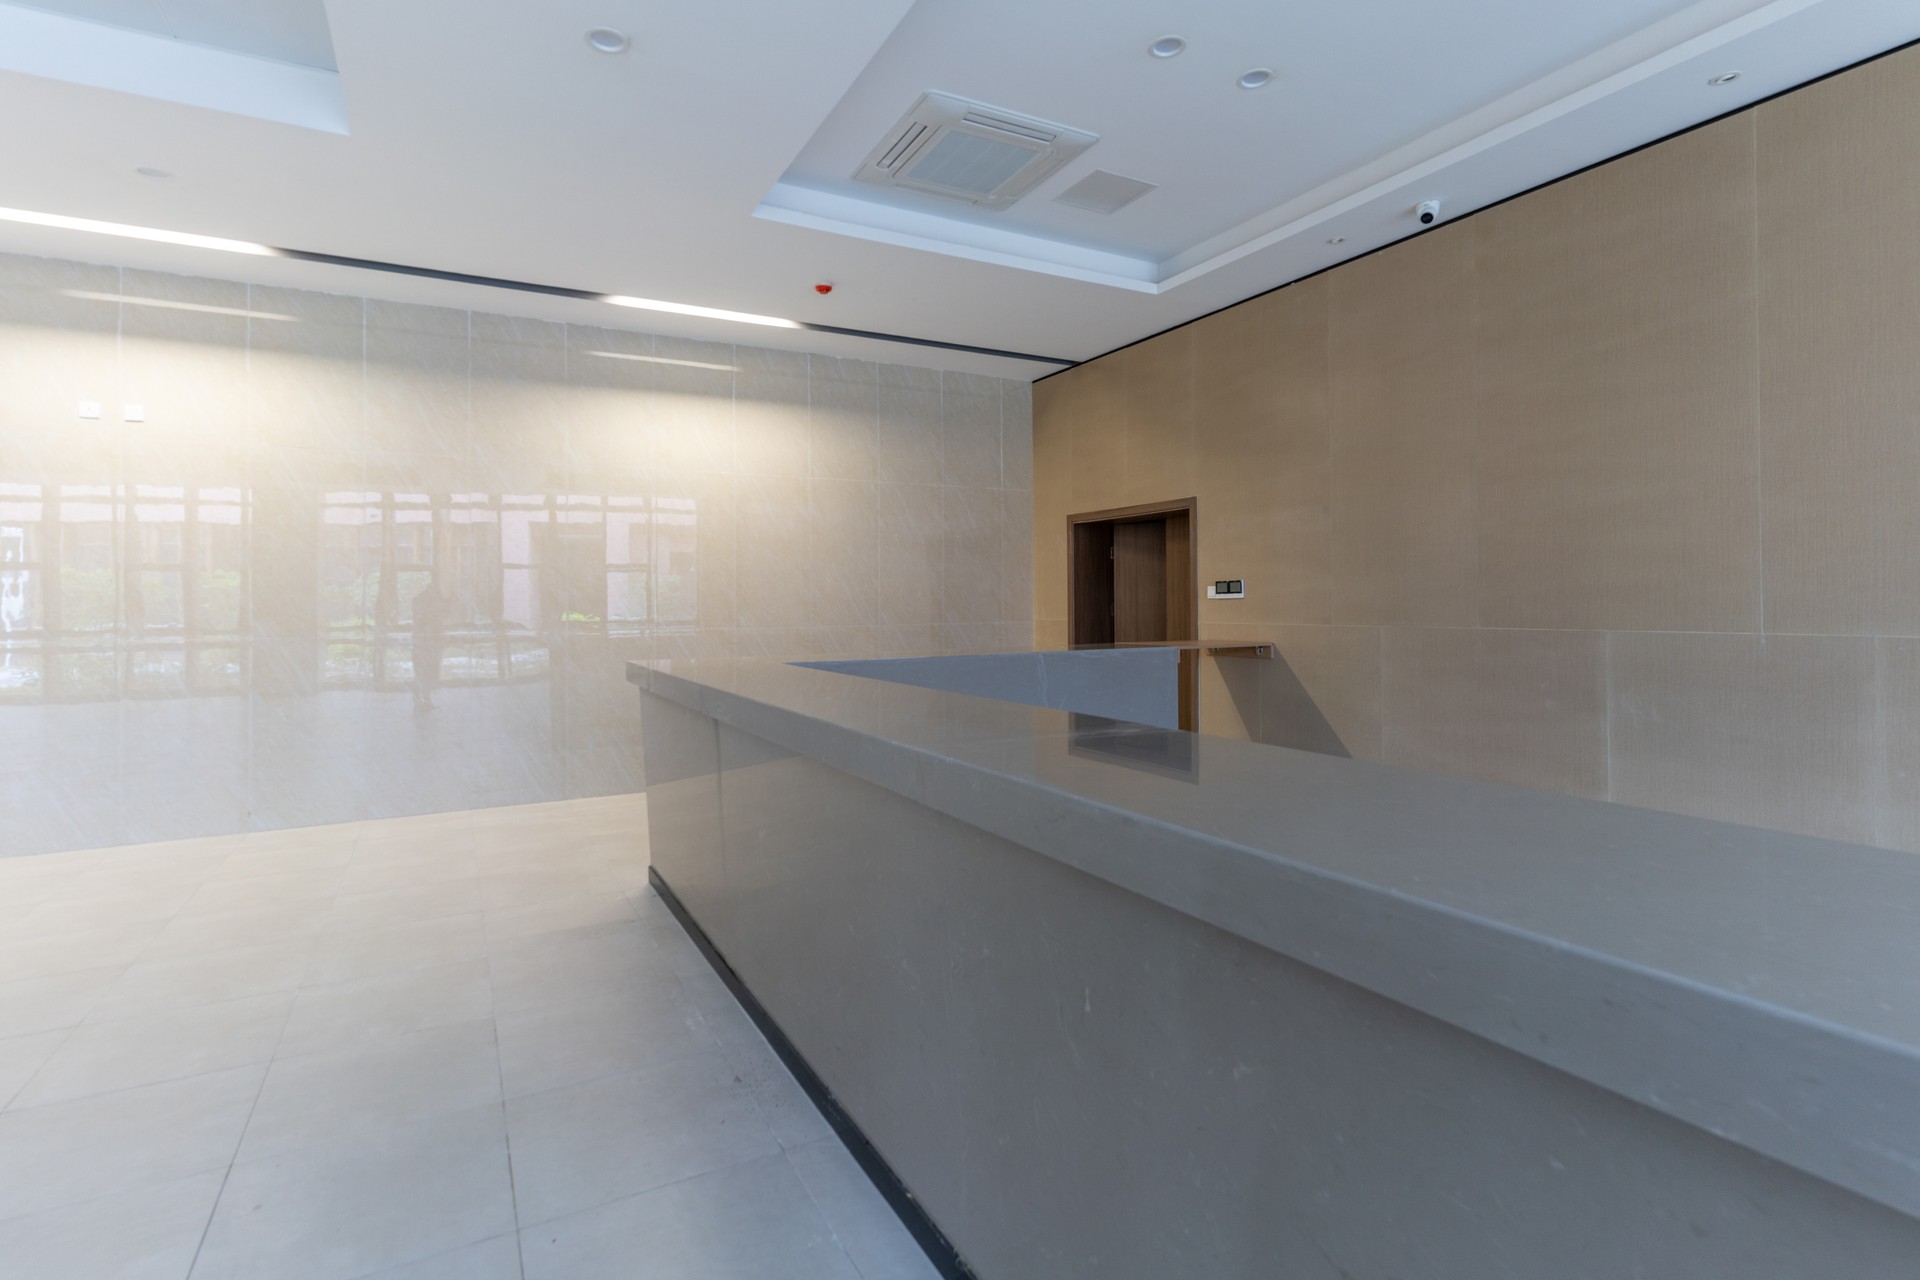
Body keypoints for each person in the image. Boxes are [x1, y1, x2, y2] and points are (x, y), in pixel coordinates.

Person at [411, 575, 449, 710]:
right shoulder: (424, 602)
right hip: (425, 642)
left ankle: (423, 699)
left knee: (423, 672)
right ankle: (422, 699)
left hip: (426, 641)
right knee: (423, 672)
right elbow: (426, 622)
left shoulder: (423, 601)